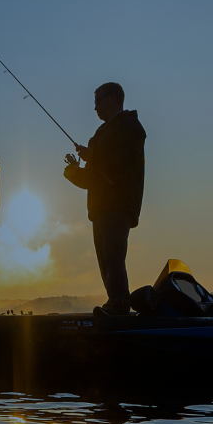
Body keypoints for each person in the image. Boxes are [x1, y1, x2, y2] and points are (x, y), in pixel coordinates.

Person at [63, 82, 146, 316]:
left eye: (98, 101)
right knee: (105, 261)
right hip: (100, 207)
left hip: (118, 204)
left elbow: (121, 162)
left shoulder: (131, 126)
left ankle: (119, 303)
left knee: (113, 258)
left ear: (112, 98)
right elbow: (94, 177)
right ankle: (116, 302)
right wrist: (74, 172)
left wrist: (94, 156)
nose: (95, 107)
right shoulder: (101, 134)